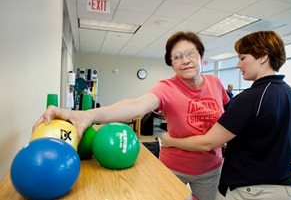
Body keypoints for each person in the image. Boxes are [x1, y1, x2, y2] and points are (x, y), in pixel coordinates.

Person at [33, 31, 229, 200]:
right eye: (176, 57)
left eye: (190, 53)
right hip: (174, 168)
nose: (185, 60)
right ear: (171, 64)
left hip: (211, 169)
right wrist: (87, 115)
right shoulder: (167, 88)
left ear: (200, 55)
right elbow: (136, 105)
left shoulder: (215, 83)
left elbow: (229, 115)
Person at [160, 31, 291, 200]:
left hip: (249, 190)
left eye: (242, 58)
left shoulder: (249, 98)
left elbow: (208, 142)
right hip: (284, 189)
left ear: (263, 57)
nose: (238, 65)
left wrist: (170, 141)